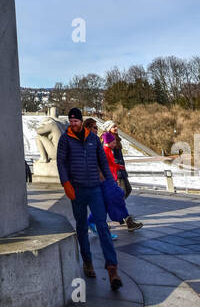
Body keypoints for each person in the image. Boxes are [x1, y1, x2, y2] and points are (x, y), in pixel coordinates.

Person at [56, 107, 122, 290]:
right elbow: (60, 161)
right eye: (71, 121)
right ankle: (88, 262)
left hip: (94, 189)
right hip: (76, 190)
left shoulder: (93, 139)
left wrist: (110, 183)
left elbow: (103, 162)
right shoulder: (65, 139)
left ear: (80, 120)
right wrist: (65, 183)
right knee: (82, 226)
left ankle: (112, 269)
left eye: (76, 121)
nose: (73, 124)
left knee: (102, 225)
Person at [101, 124, 143, 231]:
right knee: (118, 197)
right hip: (110, 179)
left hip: (115, 175)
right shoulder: (105, 149)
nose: (116, 128)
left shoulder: (112, 145)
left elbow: (113, 162)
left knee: (120, 195)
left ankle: (122, 218)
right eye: (113, 126)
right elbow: (106, 165)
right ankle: (124, 219)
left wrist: (120, 166)